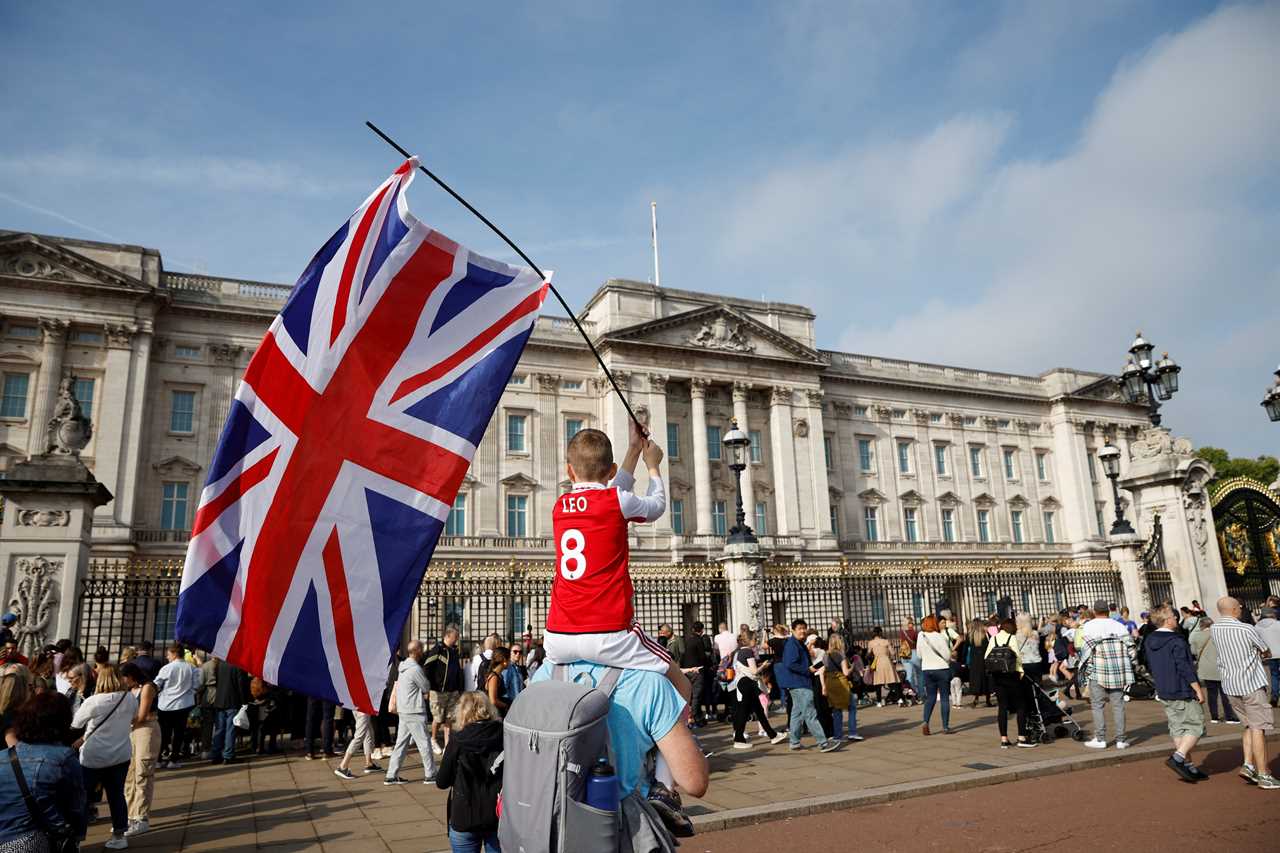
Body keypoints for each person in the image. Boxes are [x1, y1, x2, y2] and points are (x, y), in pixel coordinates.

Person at [541, 423, 690, 712]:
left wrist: (634, 448)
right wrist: (653, 465)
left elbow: (610, 495)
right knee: (678, 678)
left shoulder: (560, 505)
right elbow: (657, 505)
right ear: (610, 471)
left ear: (569, 471)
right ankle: (679, 735)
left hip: (558, 635)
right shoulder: (615, 501)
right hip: (608, 632)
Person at [527, 658, 709, 840]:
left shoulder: (545, 673)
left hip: (553, 824)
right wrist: (666, 663)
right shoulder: (649, 682)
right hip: (626, 830)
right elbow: (695, 782)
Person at [0, 692, 88, 850]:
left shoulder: (2, 757)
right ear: (63, 721)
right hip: (33, 841)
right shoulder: (63, 757)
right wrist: (76, 836)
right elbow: (76, 807)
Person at [1210, 596, 1278, 788]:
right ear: (1233, 609)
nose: (1241, 609)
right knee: (1258, 727)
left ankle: (1248, 764)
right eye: (1239, 607)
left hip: (1230, 684)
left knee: (1248, 725)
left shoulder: (1214, 628)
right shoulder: (1246, 628)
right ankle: (1264, 774)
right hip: (1250, 683)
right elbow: (1265, 650)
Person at [72, 664, 138, 849]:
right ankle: (119, 834)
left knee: (83, 797)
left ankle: (77, 837)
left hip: (94, 756)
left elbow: (76, 723)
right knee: (116, 795)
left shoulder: (94, 701)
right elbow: (132, 718)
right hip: (120, 754)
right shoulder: (130, 698)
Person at [1144, 605, 1209, 782]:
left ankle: (1188, 766)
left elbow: (1149, 663)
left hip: (1163, 688)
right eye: (1174, 616)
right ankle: (1178, 757)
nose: (1176, 619)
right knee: (1196, 725)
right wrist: (1197, 688)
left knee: (1178, 727)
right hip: (1181, 688)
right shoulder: (1177, 640)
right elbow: (1185, 667)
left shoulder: (1149, 639)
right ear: (1167, 620)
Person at [435, 692, 504, 853]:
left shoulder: (458, 739)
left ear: (462, 712)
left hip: (465, 814)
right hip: (498, 815)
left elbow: (442, 781)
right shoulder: (505, 734)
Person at [777, 620, 842, 753]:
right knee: (810, 713)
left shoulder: (798, 643)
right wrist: (808, 670)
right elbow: (790, 664)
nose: (802, 631)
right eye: (800, 628)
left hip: (798, 682)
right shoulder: (792, 644)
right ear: (793, 630)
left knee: (797, 713)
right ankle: (823, 743)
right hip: (799, 682)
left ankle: (794, 742)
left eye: (804, 628)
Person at [1079, 601, 1135, 750]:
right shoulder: (1119, 625)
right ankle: (1121, 740)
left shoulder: (1088, 626)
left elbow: (1085, 650)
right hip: (1118, 671)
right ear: (1108, 611)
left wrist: (1085, 670)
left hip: (1098, 670)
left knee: (1097, 705)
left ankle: (1100, 738)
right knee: (1118, 706)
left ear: (1094, 611)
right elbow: (1132, 650)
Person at [384, 640, 437, 785]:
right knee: (424, 744)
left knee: (400, 744)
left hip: (404, 710)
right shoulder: (415, 669)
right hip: (414, 710)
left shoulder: (403, 667)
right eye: (422, 649)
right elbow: (426, 687)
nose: (424, 651)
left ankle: (391, 775)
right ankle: (430, 774)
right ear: (418, 651)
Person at [120, 661, 159, 839]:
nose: (123, 681)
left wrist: (121, 723)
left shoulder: (147, 687)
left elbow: (142, 715)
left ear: (132, 676)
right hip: (131, 731)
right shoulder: (129, 690)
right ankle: (129, 815)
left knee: (143, 773)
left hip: (146, 730)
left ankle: (141, 817)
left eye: (125, 678)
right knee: (129, 773)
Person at [728, 629, 785, 748]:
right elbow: (754, 671)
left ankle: (772, 735)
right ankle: (739, 739)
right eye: (754, 639)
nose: (756, 641)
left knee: (757, 711)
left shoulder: (739, 652)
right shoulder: (748, 652)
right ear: (748, 641)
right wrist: (764, 665)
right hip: (747, 684)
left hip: (743, 683)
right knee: (746, 712)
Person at [986, 618, 1035, 749]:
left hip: (997, 677)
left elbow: (986, 657)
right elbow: (1017, 657)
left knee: (1002, 707)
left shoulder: (993, 638)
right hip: (1011, 676)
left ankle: (1004, 739)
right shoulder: (1011, 639)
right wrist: (1021, 671)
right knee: (1021, 706)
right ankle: (1021, 737)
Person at [153, 643, 200, 770]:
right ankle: (173, 760)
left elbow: (156, 685)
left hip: (165, 705)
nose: (167, 656)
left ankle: (158, 759)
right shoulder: (192, 668)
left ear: (174, 654)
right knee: (179, 733)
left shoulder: (166, 668)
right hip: (183, 705)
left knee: (163, 733)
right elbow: (196, 686)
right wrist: (188, 694)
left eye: (168, 654)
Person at [1190, 616, 1239, 724]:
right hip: (1220, 667)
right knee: (1224, 693)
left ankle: (1214, 716)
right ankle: (1229, 716)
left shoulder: (1195, 636)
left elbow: (1193, 651)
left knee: (1211, 693)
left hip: (1205, 668)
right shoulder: (1218, 635)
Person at [425, 626, 465, 757]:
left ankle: (448, 744)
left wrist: (459, 689)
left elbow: (458, 671)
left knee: (449, 718)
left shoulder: (454, 651)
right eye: (456, 637)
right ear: (448, 636)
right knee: (438, 717)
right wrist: (429, 687)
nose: (457, 639)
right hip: (438, 691)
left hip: (452, 691)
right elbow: (427, 668)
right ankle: (433, 739)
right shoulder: (438, 649)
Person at [667, 624, 711, 727]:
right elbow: (702, 656)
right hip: (696, 670)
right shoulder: (698, 640)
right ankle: (693, 717)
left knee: (688, 695)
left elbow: (683, 654)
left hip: (686, 670)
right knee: (696, 695)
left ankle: (693, 716)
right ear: (702, 630)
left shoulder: (687, 640)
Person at [917, 615, 955, 736]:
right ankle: (945, 726)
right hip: (942, 669)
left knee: (931, 697)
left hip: (927, 670)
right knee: (944, 698)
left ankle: (925, 722)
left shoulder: (920, 636)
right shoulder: (939, 636)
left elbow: (919, 655)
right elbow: (948, 656)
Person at [207, 658, 249, 764]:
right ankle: (228, 755)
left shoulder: (220, 664)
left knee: (219, 729)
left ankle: (216, 755)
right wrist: (244, 702)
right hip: (233, 701)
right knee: (230, 730)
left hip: (220, 700)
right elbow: (241, 685)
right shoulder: (239, 665)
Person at [823, 634, 861, 742]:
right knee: (852, 707)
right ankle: (852, 732)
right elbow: (845, 672)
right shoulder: (841, 655)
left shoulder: (826, 655)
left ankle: (837, 736)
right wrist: (853, 666)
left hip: (830, 683)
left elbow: (824, 670)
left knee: (836, 710)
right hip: (841, 683)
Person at [334, 705, 382, 781]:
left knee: (368, 731)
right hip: (363, 705)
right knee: (359, 736)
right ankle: (342, 766)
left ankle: (369, 763)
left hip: (358, 705)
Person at [1255, 607, 1280, 707]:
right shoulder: (1278, 624)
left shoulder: (1257, 626)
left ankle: (1274, 696)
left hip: (1268, 654)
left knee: (1274, 675)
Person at [865, 627, 897, 706]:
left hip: (877, 662)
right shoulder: (886, 641)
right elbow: (893, 653)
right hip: (886, 661)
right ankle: (899, 699)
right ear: (881, 633)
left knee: (878, 683)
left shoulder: (871, 643)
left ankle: (879, 702)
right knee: (892, 681)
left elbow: (868, 654)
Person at [965, 620, 991, 708]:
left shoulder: (970, 635)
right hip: (984, 659)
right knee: (986, 679)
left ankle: (976, 699)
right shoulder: (985, 634)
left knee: (976, 680)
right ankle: (988, 700)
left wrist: (963, 660)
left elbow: (965, 648)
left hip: (974, 661)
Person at [1016, 614, 1045, 685]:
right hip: (1036, 661)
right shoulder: (1035, 633)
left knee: (1026, 686)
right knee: (1038, 685)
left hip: (1023, 663)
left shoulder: (1016, 635)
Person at [481, 647, 511, 716]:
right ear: (504, 660)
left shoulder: (498, 675)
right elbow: (493, 700)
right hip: (494, 714)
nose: (510, 662)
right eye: (509, 659)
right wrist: (506, 705)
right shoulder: (494, 677)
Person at [898, 617, 922, 700]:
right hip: (914, 653)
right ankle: (920, 694)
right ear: (908, 624)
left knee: (909, 675)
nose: (912, 625)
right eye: (911, 623)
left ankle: (910, 694)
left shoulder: (901, 632)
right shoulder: (914, 632)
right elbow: (918, 643)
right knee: (919, 674)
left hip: (904, 654)